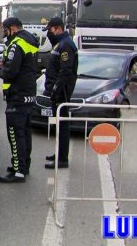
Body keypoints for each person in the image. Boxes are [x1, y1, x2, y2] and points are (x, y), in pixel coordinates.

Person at [0, 17, 39, 183]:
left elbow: (10, 72)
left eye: (5, 29)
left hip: (17, 96)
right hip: (27, 94)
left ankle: (18, 172)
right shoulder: (29, 41)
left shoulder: (17, 44)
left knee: (15, 134)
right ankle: (23, 166)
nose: (4, 32)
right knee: (24, 133)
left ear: (12, 28)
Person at [42, 17, 78, 169]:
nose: (49, 33)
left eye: (51, 30)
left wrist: (56, 90)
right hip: (57, 90)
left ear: (57, 28)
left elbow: (65, 71)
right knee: (59, 126)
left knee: (62, 126)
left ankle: (63, 159)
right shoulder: (60, 43)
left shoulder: (65, 45)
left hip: (61, 92)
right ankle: (59, 153)